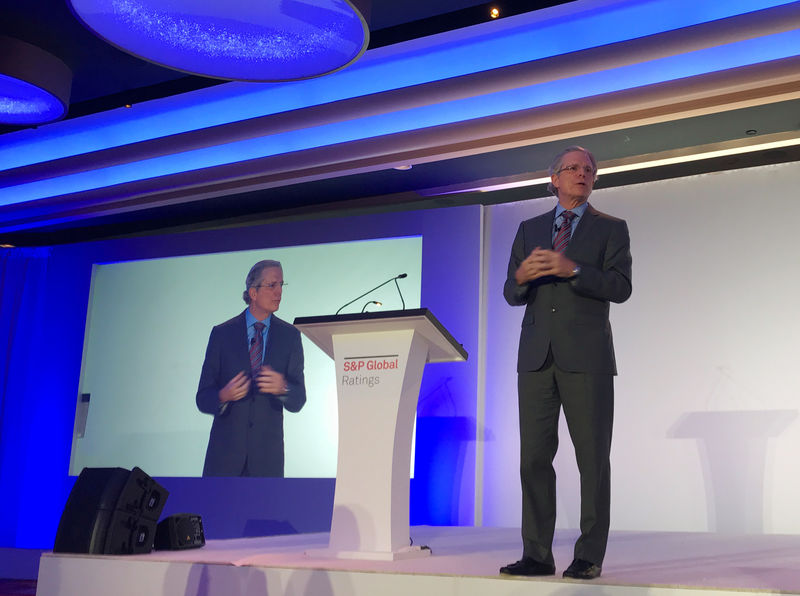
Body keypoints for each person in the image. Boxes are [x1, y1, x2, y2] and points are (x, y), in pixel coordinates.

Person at [499, 146, 632, 580]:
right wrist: (520, 277)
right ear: (553, 178)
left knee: (592, 460)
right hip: (536, 358)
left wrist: (571, 268)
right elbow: (511, 293)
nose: (582, 173)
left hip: (587, 359)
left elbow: (620, 286)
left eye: (589, 169)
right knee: (533, 459)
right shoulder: (529, 228)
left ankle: (589, 555)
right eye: (572, 168)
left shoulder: (611, 228)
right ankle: (537, 554)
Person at [196, 259, 306, 477]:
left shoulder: (290, 336)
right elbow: (202, 397)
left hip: (267, 462)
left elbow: (299, 399)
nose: (278, 292)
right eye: (272, 285)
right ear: (253, 292)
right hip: (224, 460)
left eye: (281, 285)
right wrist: (223, 395)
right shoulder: (222, 334)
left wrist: (283, 388)